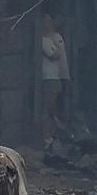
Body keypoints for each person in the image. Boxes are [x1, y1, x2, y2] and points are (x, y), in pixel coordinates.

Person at [40, 14, 70, 145]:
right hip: (49, 78)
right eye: (46, 20)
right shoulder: (44, 40)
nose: (50, 22)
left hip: (57, 77)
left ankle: (55, 136)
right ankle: (47, 138)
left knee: (56, 108)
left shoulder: (56, 37)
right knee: (48, 109)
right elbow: (55, 55)